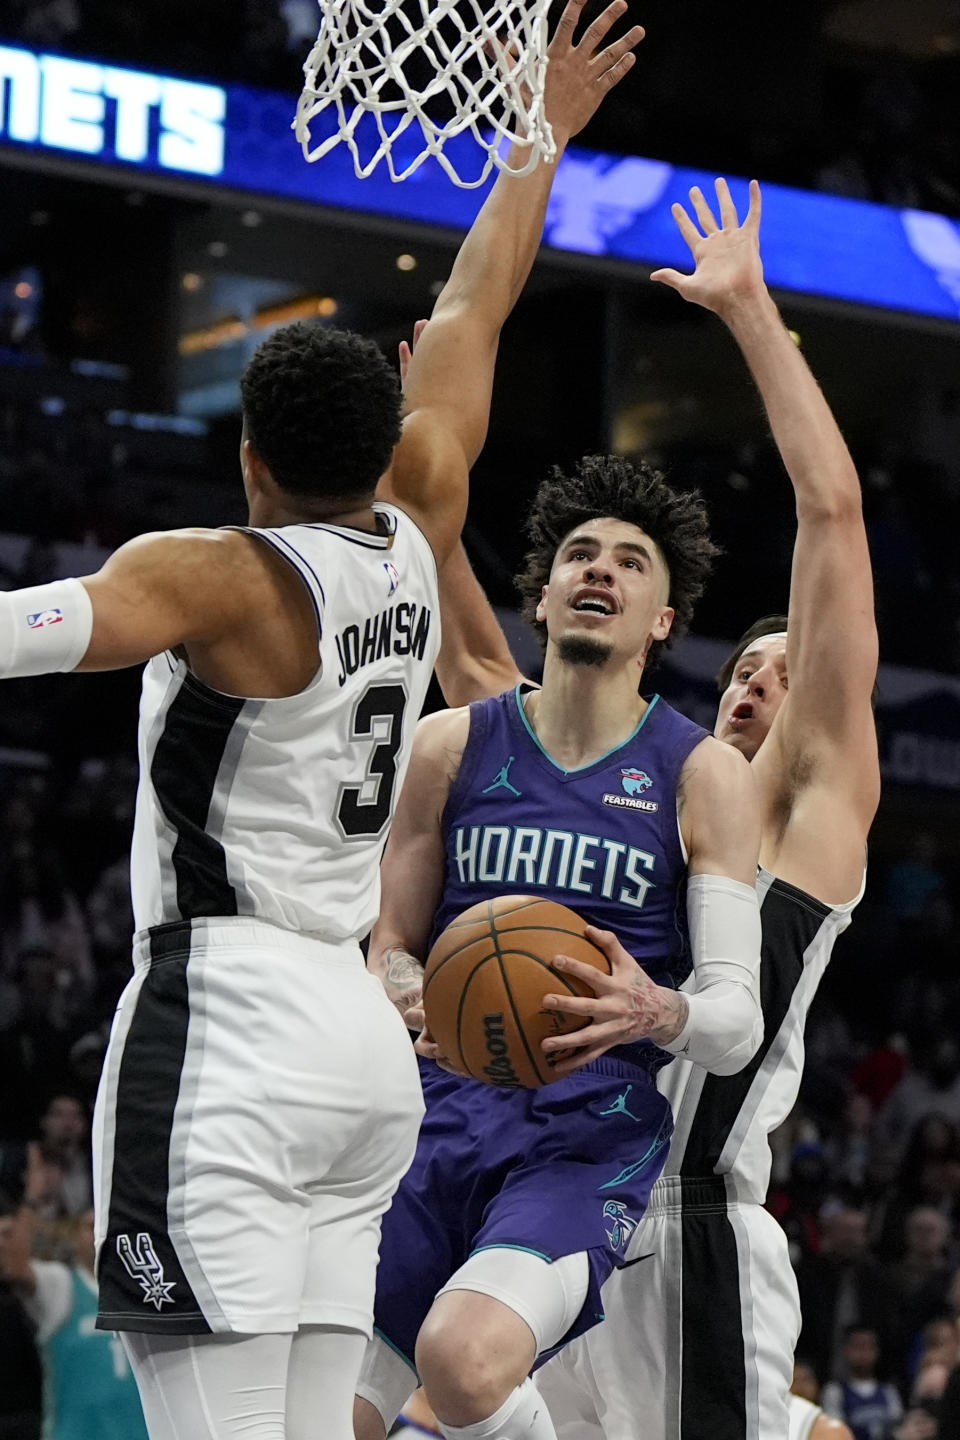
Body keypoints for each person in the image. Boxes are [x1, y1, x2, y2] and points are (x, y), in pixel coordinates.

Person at [0, 7, 643, 1433]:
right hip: (360, 1052)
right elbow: (476, 306)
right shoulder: (420, 516)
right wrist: (539, 133)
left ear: (245, 448)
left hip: (227, 1028)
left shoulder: (210, 578)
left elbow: (23, 634)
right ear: (385, 441)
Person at [424, 177, 880, 1440]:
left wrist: (749, 315)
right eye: (740, 668)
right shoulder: (656, 791)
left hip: (688, 1230)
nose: (757, 688)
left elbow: (833, 516)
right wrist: (426, 458)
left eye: (786, 679)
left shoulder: (806, 816)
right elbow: (477, 671)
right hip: (556, 1197)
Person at [352, 455, 765, 1438]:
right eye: (581, 554)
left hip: (585, 1137)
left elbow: (736, 1019)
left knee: (463, 1358)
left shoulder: (700, 772)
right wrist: (414, 993)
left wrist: (658, 1011)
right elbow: (390, 947)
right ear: (541, 596)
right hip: (434, 1119)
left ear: (663, 619)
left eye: (631, 563)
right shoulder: (450, 747)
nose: (601, 572)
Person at [0, 1202, 149, 1440]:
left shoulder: (142, 1291)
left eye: (105, 1225)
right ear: (73, 1237)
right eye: (90, 1226)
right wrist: (26, 1210)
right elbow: (16, 1270)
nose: (98, 1234)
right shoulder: (61, 1285)